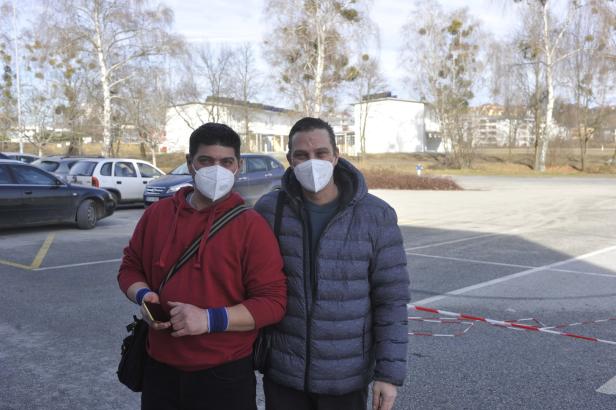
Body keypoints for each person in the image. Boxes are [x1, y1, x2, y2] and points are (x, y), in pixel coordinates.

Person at [118, 123, 287, 410]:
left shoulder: (251, 226)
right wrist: (144, 297)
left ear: (238, 166)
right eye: (206, 161)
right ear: (190, 164)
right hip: (160, 367)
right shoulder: (157, 214)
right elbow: (130, 268)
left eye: (226, 162)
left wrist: (209, 320)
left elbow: (273, 302)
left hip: (224, 373)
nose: (216, 169)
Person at [254, 117, 409, 410]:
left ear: (336, 156)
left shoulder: (376, 215)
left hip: (346, 379)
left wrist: (388, 376)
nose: (312, 162)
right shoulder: (269, 210)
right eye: (302, 155)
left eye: (321, 153)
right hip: (284, 376)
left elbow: (391, 300)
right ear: (290, 159)